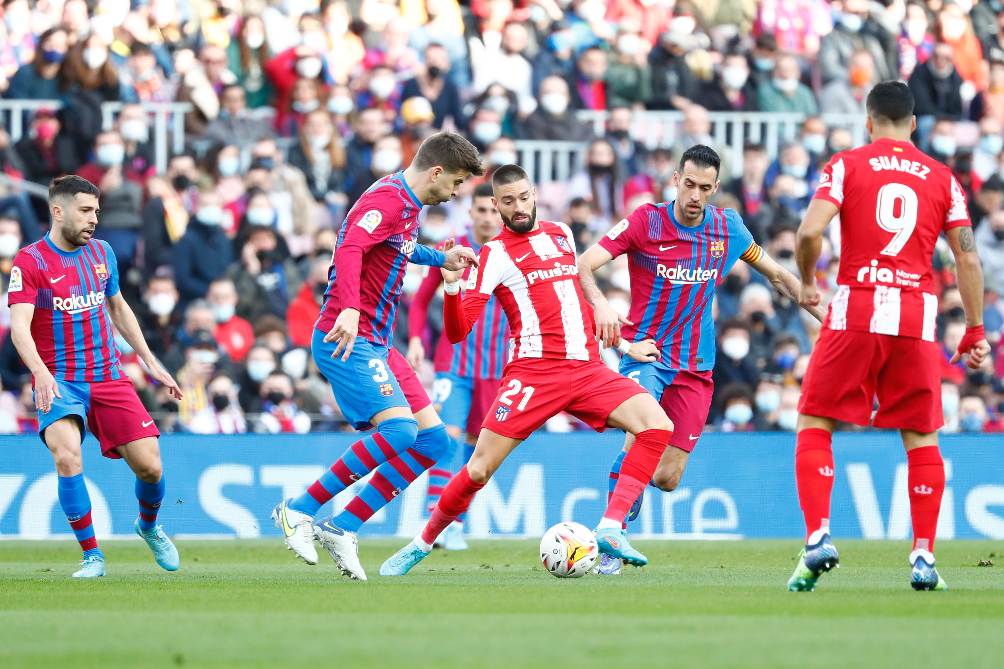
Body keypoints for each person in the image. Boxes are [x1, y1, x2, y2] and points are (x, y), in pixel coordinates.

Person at [380, 164, 678, 577]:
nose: (518, 207)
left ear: (534, 194)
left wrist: (624, 345)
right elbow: (457, 331)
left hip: (589, 368)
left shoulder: (561, 234)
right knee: (479, 468)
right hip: (534, 376)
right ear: (496, 207)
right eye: (507, 202)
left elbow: (573, 303)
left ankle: (610, 527)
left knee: (657, 427)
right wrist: (451, 287)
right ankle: (422, 543)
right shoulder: (493, 255)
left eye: (523, 197)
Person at [577, 145, 823, 575]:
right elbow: (584, 264)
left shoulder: (728, 229)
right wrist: (601, 306)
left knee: (668, 478)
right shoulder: (644, 222)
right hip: (646, 354)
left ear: (715, 189)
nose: (694, 194)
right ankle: (611, 533)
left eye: (704, 188)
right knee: (644, 428)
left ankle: (623, 504)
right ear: (676, 179)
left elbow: (779, 275)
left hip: (696, 368)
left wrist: (828, 317)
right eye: (688, 184)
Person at [790, 81, 990, 592]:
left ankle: (818, 538)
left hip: (857, 306)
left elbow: (810, 232)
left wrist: (810, 282)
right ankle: (923, 556)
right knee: (922, 436)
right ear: (915, 124)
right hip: (917, 319)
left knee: (816, 419)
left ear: (868, 120)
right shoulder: (944, 179)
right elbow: (967, 255)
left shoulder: (846, 164)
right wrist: (974, 330)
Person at [271, 132, 483, 580]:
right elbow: (349, 247)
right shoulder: (387, 200)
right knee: (401, 429)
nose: (458, 192)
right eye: (458, 182)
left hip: (379, 342)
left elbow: (396, 250)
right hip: (347, 336)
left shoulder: (407, 205)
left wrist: (441, 257)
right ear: (437, 172)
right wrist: (348, 307)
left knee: (434, 441)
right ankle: (299, 509)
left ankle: (343, 526)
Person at [7, 175, 184, 578]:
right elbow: (20, 328)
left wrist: (151, 361)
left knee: (151, 468)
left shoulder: (103, 253)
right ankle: (92, 556)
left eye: (97, 212)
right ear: (58, 210)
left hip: (107, 377)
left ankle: (149, 526)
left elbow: (119, 308)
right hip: (59, 380)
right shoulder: (30, 262)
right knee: (68, 457)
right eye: (86, 211)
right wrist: (39, 372)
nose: (94, 219)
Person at [406, 183, 507, 551]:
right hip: (455, 363)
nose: (487, 217)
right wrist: (416, 338)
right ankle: (437, 516)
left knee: (476, 448)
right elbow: (419, 302)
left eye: (493, 211)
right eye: (481, 210)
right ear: (471, 212)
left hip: (499, 368)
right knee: (446, 436)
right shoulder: (452, 248)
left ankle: (455, 523)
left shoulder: (516, 250)